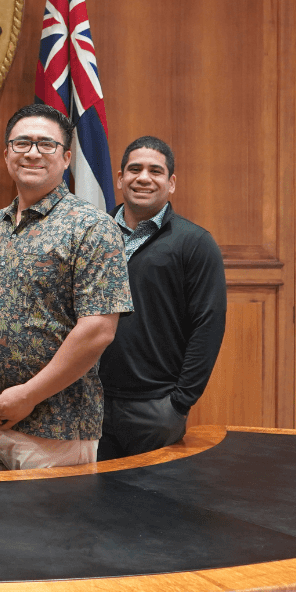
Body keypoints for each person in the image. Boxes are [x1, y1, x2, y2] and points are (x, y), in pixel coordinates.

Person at [0, 104, 132, 470]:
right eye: (22, 143)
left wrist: (28, 396)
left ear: (67, 157)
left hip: (57, 430)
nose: (33, 152)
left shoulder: (91, 227)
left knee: (54, 529)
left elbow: (98, 329)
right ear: (6, 156)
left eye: (46, 145)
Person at [99, 137, 227, 459]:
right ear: (119, 179)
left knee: (154, 506)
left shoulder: (194, 243)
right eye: (134, 169)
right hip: (89, 403)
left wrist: (179, 402)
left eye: (155, 171)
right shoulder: (92, 236)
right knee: (89, 503)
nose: (143, 177)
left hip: (155, 408)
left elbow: (208, 325)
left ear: (171, 183)